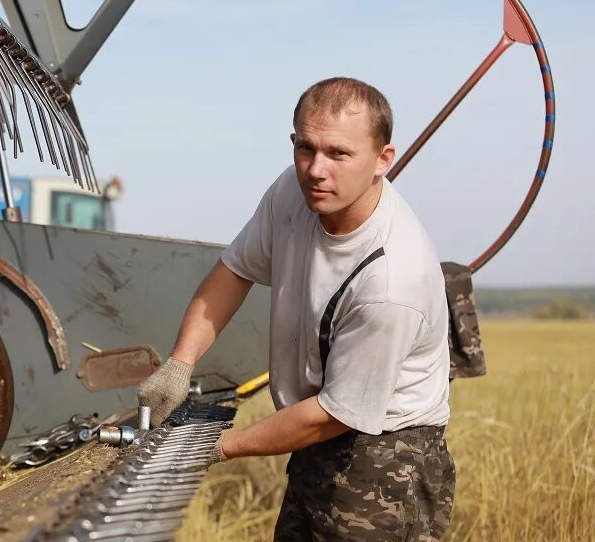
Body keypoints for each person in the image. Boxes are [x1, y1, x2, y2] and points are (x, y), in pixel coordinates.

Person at [137, 77, 455, 541]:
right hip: (313, 428)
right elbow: (234, 270)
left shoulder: (392, 281)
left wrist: (216, 446)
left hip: (386, 455)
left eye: (339, 153)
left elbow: (336, 414)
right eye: (305, 148)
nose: (316, 169)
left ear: (383, 160)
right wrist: (179, 364)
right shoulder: (295, 191)